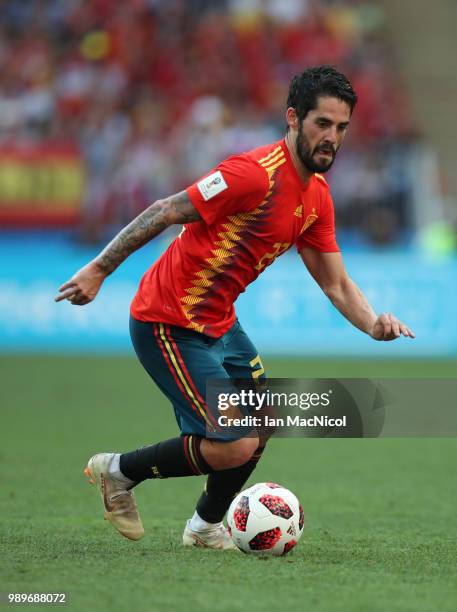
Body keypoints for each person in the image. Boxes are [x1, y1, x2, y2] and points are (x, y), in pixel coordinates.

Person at [55, 65, 415, 549]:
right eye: (322, 124)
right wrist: (99, 269)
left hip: (220, 323)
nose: (332, 138)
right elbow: (166, 210)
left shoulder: (317, 199)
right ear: (293, 118)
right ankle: (118, 471)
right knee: (235, 443)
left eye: (341, 128)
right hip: (167, 319)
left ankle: (204, 528)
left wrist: (374, 325)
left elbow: (337, 284)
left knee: (263, 423)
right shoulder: (252, 175)